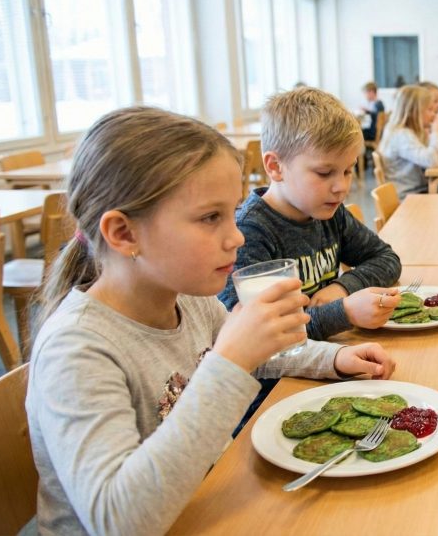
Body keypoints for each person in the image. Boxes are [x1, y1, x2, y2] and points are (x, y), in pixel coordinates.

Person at [26, 106, 396, 535]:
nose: (237, 235)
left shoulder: (189, 298)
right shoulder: (77, 348)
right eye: (210, 218)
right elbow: (119, 521)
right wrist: (228, 361)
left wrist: (335, 359)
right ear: (124, 234)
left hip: (207, 499)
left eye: (231, 211)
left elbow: (262, 355)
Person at [219, 86, 403, 341]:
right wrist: (343, 313)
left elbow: (386, 258)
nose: (342, 187)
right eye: (324, 173)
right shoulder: (250, 233)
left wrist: (343, 287)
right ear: (275, 167)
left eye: (348, 171)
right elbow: (260, 335)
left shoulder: (328, 212)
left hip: (329, 354)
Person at [380, 85, 438, 198]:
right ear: (413, 112)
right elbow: (431, 160)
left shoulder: (407, 131)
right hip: (409, 196)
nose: (434, 114)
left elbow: (426, 151)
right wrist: (437, 133)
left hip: (418, 190)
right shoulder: (401, 135)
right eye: (429, 110)